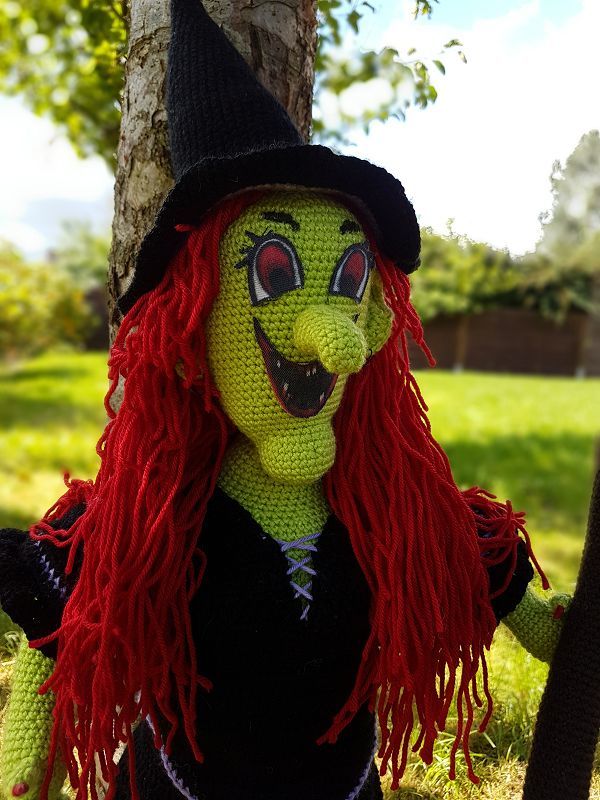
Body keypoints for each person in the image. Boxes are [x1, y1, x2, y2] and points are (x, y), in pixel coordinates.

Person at [0, 2, 567, 799]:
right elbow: (72, 625)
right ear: (193, 322)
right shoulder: (153, 514)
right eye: (274, 272)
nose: (331, 337)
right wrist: (28, 754)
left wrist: (555, 629)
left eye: (348, 279)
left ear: (374, 315)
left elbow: (487, 580)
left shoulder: (392, 507)